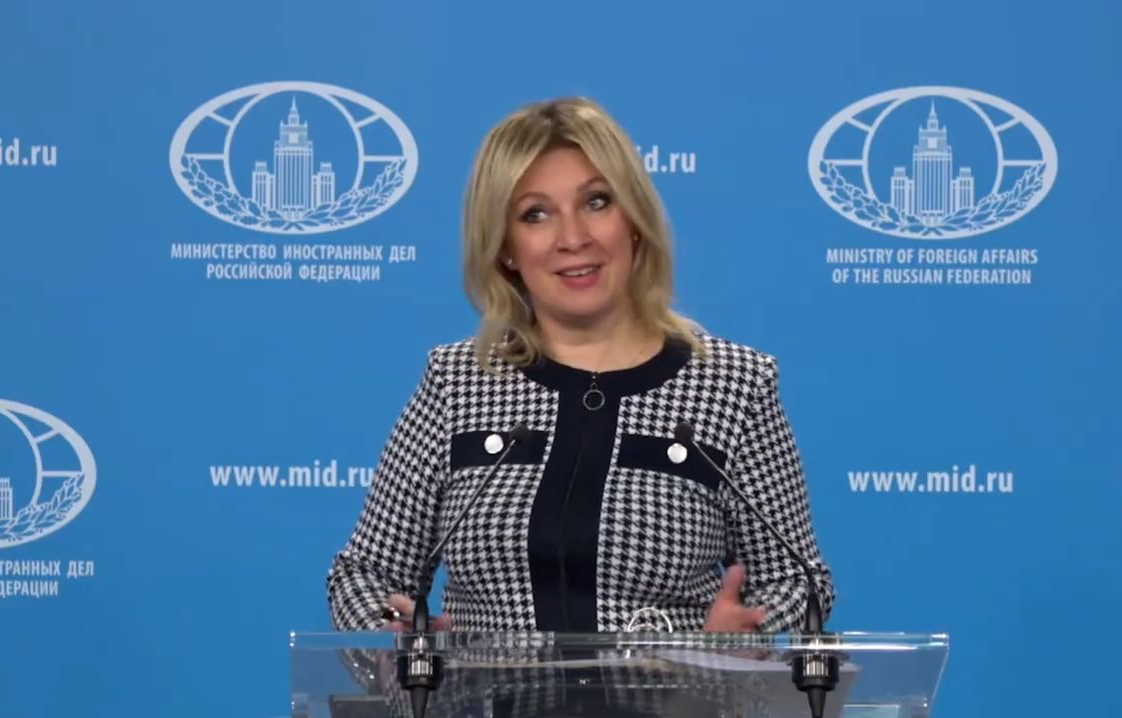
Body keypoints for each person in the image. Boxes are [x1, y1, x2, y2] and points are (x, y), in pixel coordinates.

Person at [326, 96, 834, 635]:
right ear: (505, 247)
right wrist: (393, 629)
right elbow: (365, 573)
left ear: (633, 220)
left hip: (677, 686)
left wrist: (746, 636)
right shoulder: (457, 382)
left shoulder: (734, 385)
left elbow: (796, 581)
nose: (573, 238)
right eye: (535, 214)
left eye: (596, 202)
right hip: (484, 687)